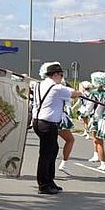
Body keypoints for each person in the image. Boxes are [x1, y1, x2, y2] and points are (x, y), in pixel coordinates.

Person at [32, 62, 82, 194]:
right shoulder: (57, 88)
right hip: (48, 123)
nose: (61, 77)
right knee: (46, 154)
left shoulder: (39, 85)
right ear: (55, 74)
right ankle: (44, 184)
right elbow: (75, 93)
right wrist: (80, 92)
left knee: (52, 150)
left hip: (38, 121)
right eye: (60, 75)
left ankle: (49, 180)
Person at [87, 72, 105, 170]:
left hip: (96, 118)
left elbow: (89, 107)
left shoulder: (93, 93)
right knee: (101, 140)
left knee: (97, 140)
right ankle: (98, 157)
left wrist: (82, 113)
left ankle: (102, 162)